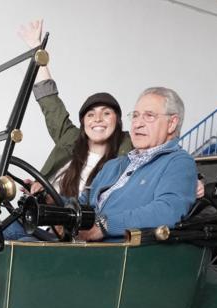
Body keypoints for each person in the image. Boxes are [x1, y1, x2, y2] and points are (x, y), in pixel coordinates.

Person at [18, 20, 132, 197]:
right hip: (43, 218)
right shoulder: (70, 138)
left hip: (82, 223)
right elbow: (50, 102)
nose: (98, 119)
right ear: (83, 123)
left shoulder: (128, 149)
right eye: (90, 114)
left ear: (117, 120)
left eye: (106, 113)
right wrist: (37, 50)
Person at [77, 87, 198, 241]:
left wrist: (104, 226)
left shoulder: (179, 162)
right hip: (84, 247)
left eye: (149, 116)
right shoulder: (113, 165)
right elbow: (83, 203)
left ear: (172, 123)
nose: (137, 124)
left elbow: (167, 211)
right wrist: (52, 202)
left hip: (121, 254)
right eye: (135, 116)